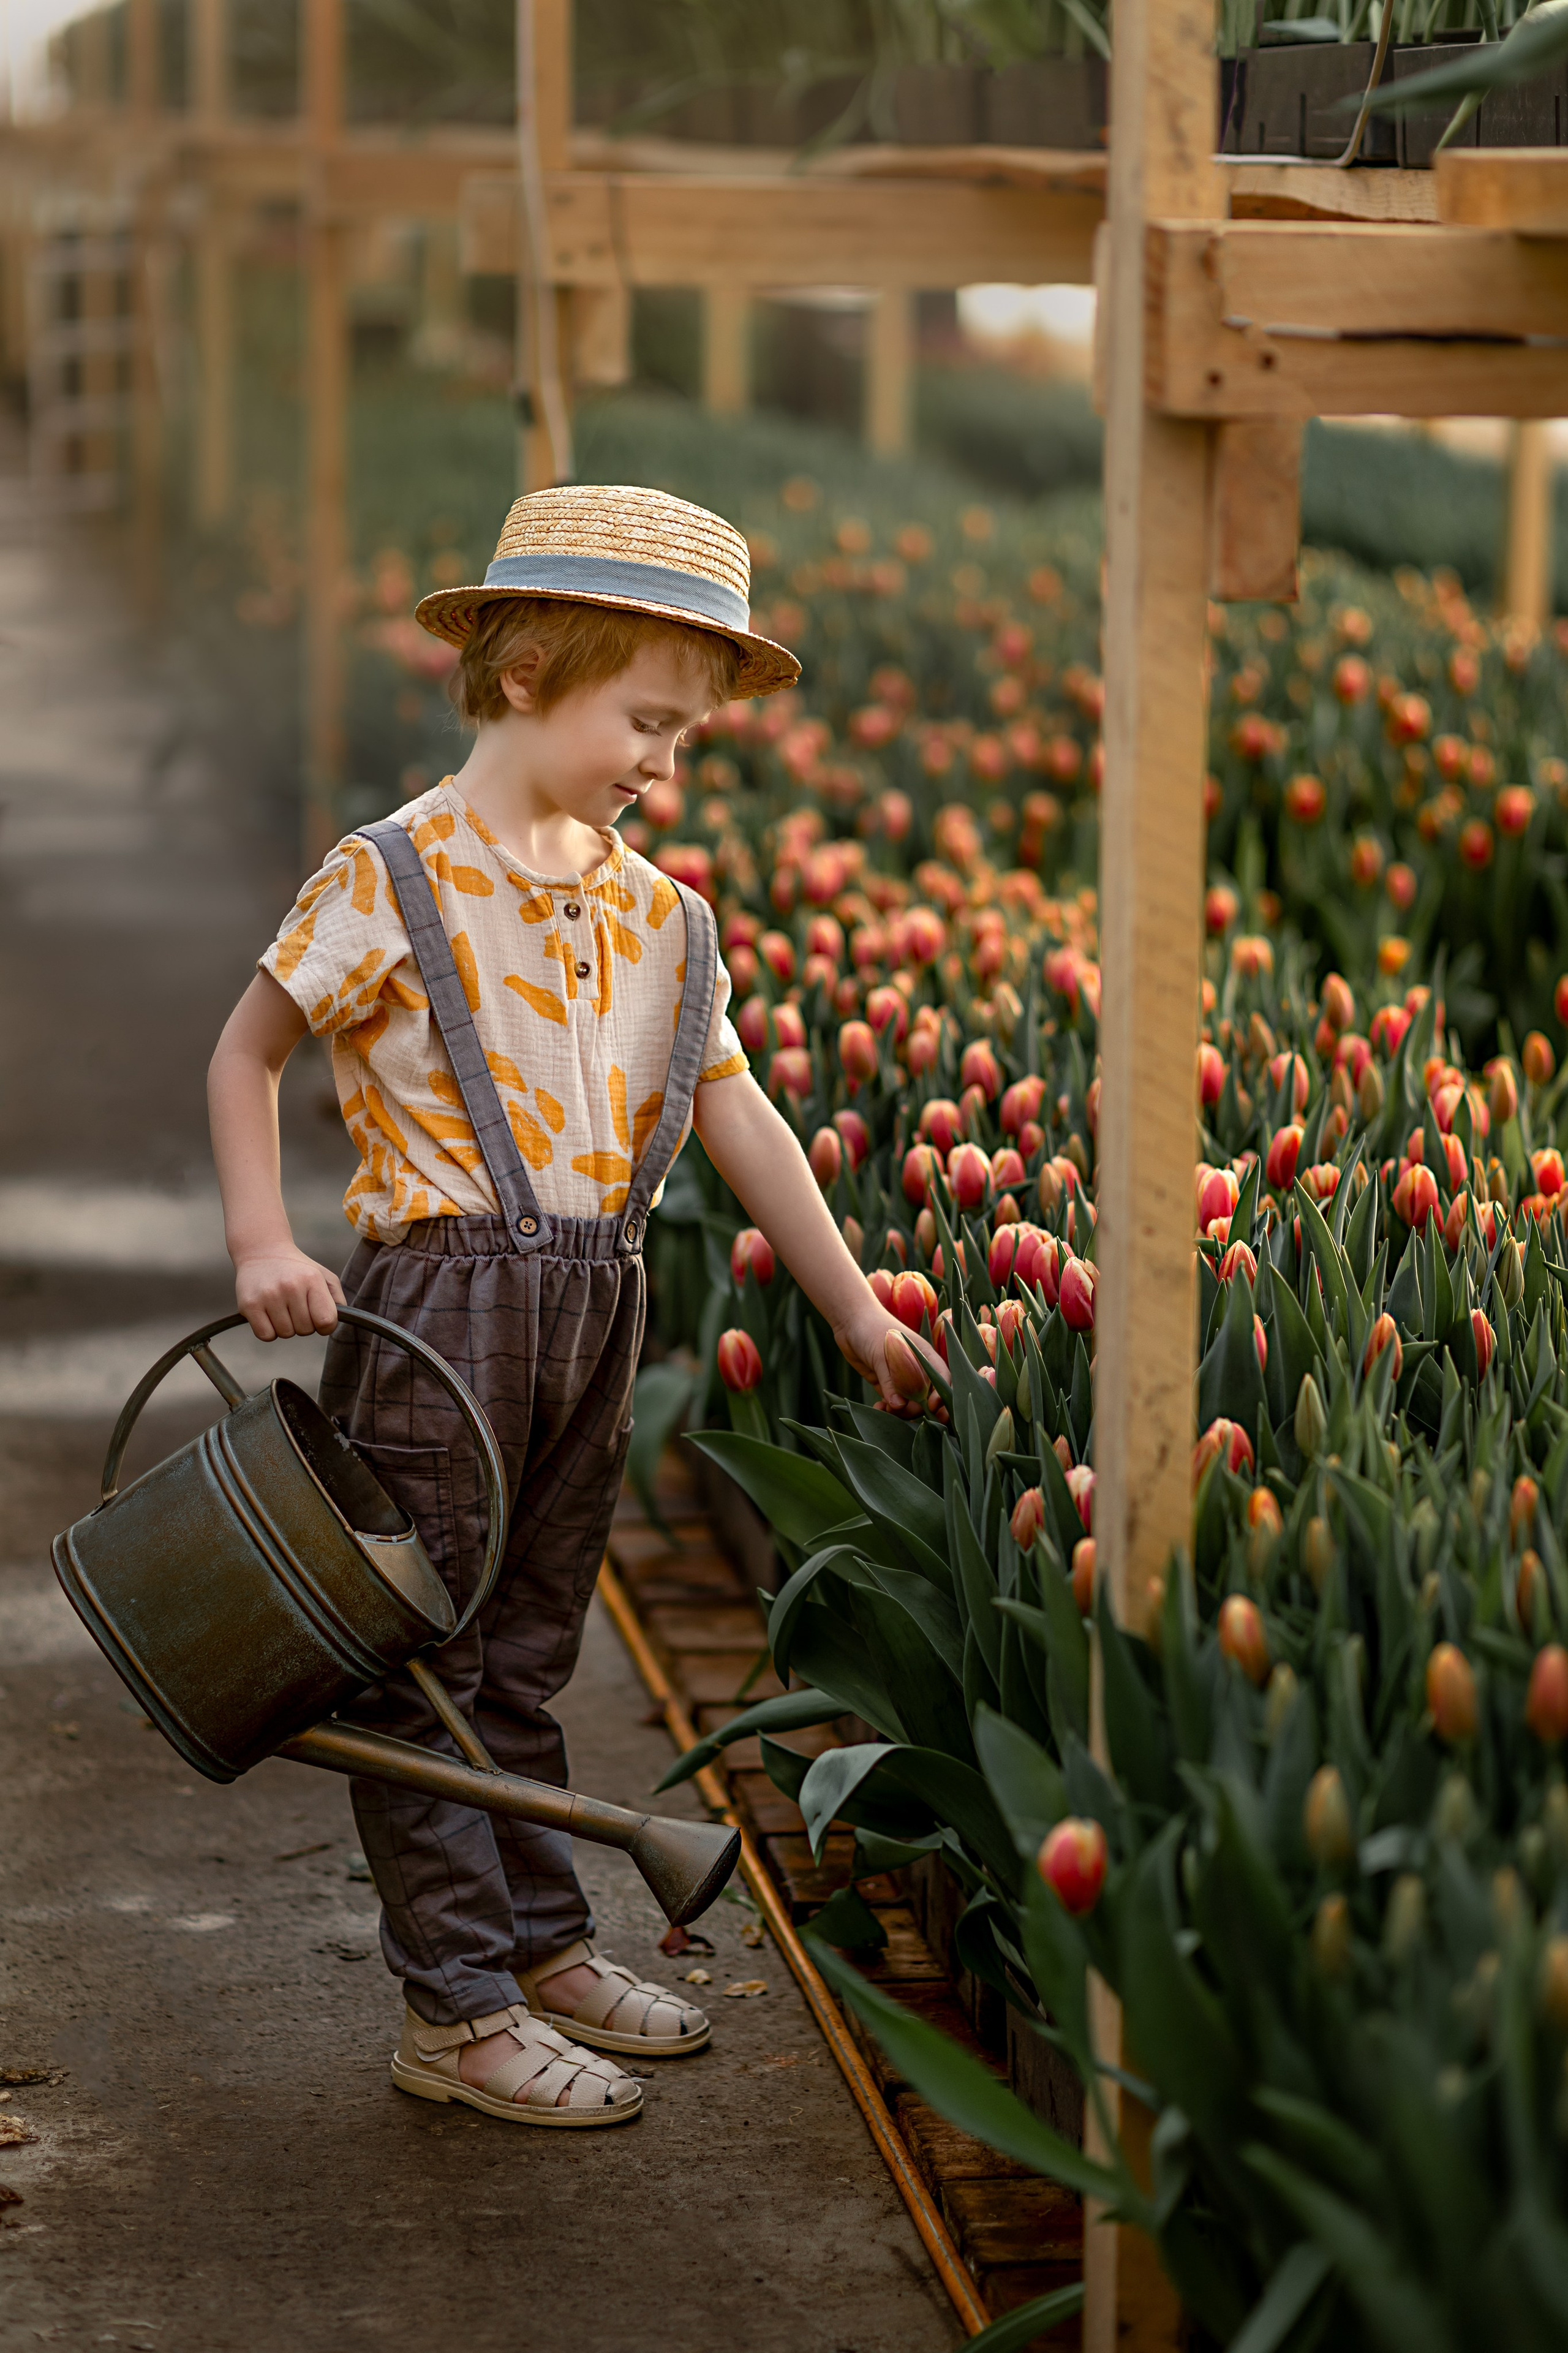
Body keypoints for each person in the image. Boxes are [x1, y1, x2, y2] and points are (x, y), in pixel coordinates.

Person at [207, 483, 921, 2129]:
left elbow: (740, 1115)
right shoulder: (390, 877)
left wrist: (862, 1308)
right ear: (528, 668)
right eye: (647, 721)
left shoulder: (662, 918)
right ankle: (450, 2008)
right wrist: (262, 1241)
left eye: (688, 734)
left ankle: (535, 1944)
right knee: (423, 1655)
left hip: (597, 1303)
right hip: (434, 1318)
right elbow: (245, 1051)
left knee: (527, 1647)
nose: (667, 763)